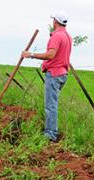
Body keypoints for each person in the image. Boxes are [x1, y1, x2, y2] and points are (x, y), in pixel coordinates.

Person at [22, 11, 72, 142]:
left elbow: (50, 55)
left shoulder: (56, 36)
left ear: (55, 22)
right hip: (63, 74)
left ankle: (50, 134)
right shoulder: (67, 36)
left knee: (51, 105)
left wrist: (31, 54)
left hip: (54, 74)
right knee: (52, 104)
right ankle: (51, 130)